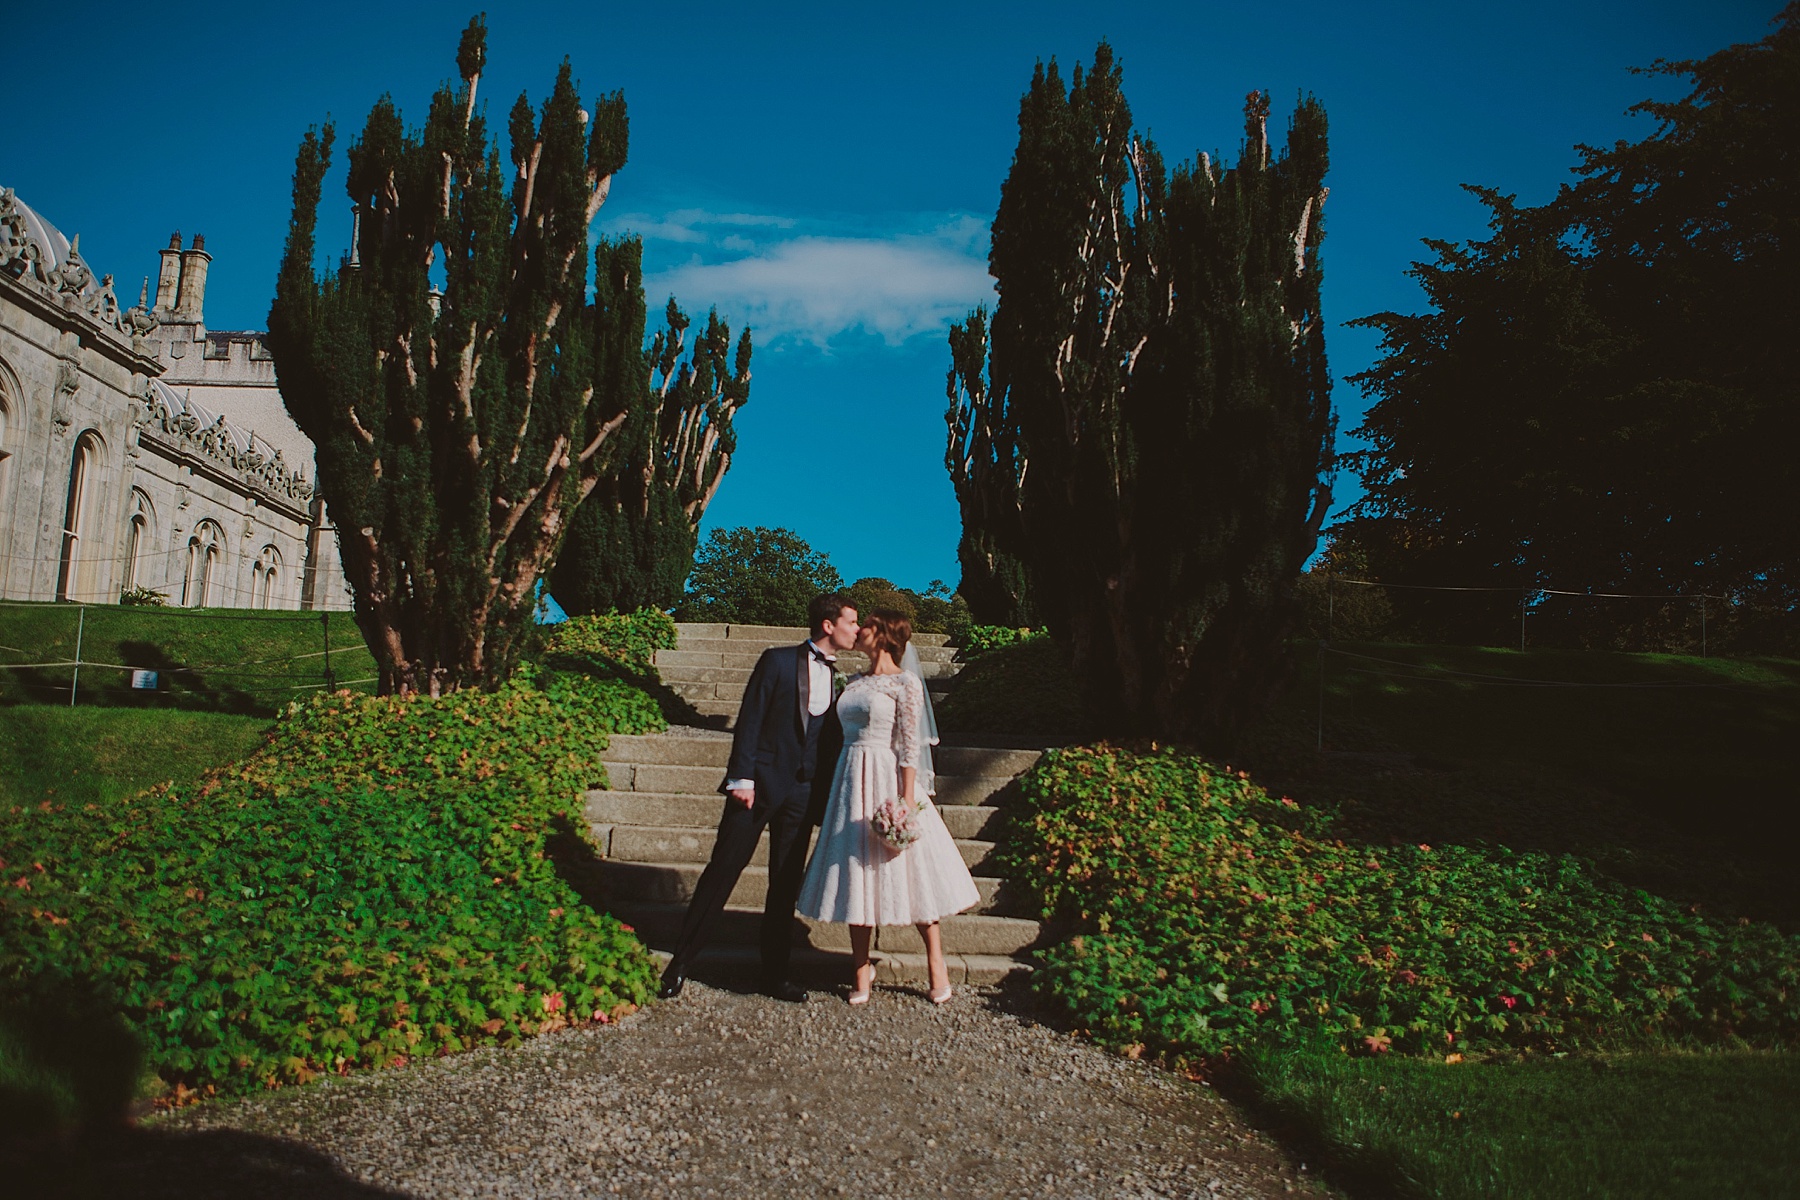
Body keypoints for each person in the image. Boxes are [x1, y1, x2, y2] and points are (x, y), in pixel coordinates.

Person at [657, 594, 859, 1003]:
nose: (856, 630)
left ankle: (774, 976)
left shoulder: (839, 679)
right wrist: (741, 778)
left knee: (784, 886)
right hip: (758, 786)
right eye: (851, 622)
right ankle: (679, 964)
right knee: (722, 872)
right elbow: (750, 719)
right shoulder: (777, 660)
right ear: (827, 624)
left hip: (803, 793)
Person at [796, 608, 981, 1004]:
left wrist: (906, 801)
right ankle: (861, 969)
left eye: (868, 626)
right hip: (850, 779)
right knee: (854, 870)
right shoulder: (853, 680)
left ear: (882, 635)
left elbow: (909, 743)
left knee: (911, 871)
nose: (860, 630)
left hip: (888, 774)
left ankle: (936, 962)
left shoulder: (906, 683)